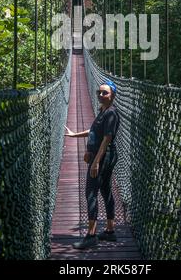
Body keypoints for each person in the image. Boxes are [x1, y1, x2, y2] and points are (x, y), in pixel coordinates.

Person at [65, 79, 120, 249]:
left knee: (91, 192)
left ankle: (91, 235)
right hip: (104, 156)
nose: (101, 95)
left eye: (105, 93)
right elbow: (94, 131)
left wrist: (96, 161)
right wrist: (74, 135)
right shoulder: (103, 111)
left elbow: (107, 138)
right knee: (105, 190)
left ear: (113, 95)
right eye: (99, 92)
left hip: (104, 157)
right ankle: (110, 231)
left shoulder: (111, 113)